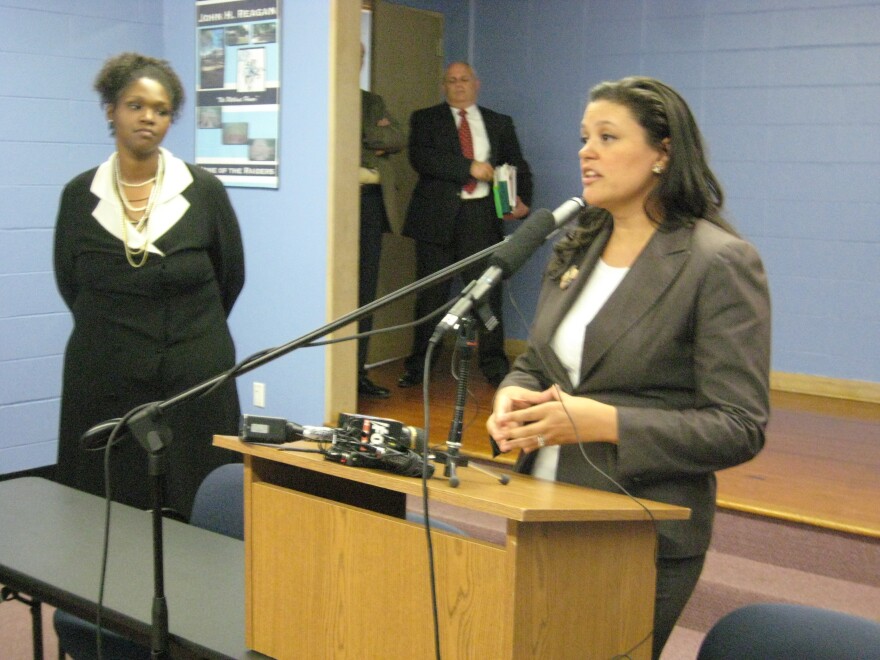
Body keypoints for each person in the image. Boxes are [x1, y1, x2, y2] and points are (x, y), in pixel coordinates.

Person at [486, 76, 771, 659]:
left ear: (663, 153)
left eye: (607, 137)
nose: (585, 152)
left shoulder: (718, 262)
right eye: (584, 137)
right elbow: (540, 363)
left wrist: (604, 422)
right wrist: (512, 394)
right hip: (544, 508)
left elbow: (739, 426)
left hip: (639, 531)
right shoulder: (577, 243)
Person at [53, 52, 245, 520]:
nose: (149, 119)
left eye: (161, 110)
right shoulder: (81, 195)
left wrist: (185, 330)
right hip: (104, 370)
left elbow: (230, 277)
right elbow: (69, 282)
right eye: (136, 106)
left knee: (195, 498)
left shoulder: (202, 191)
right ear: (111, 111)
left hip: (193, 373)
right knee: (106, 507)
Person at [398, 62, 533, 389]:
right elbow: (422, 159)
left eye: (464, 80)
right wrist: (468, 167)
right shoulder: (425, 119)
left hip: (482, 218)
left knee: (487, 295)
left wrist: (523, 201)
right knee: (430, 296)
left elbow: (516, 164)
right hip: (436, 220)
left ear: (477, 84)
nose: (458, 85)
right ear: (444, 86)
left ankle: (494, 365)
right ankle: (420, 365)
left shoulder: (499, 122)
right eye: (452, 81)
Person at [358, 43, 405, 398]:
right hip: (335, 205)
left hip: (371, 205)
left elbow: (395, 137)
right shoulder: (321, 97)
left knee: (364, 293)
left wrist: (363, 138)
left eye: (359, 57)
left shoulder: (371, 101)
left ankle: (357, 373)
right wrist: (371, 140)